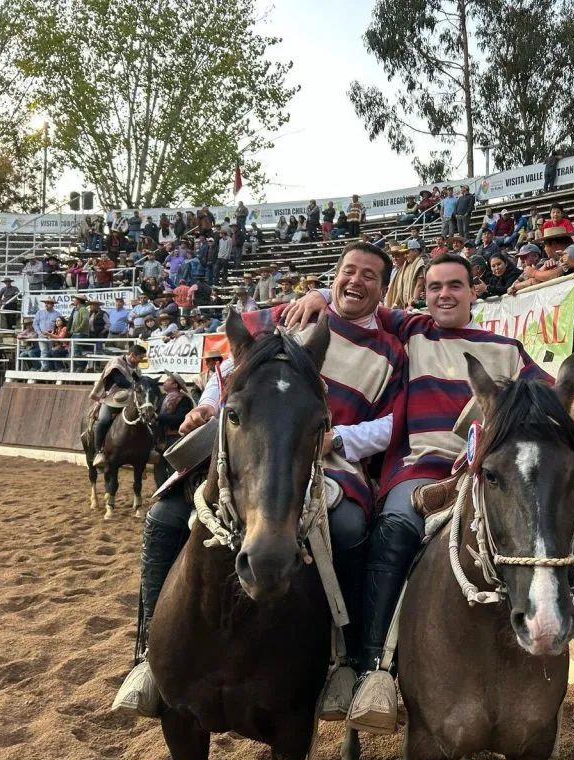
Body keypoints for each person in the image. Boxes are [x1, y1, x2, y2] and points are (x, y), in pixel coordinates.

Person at [287, 254, 574, 734]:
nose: (444, 294)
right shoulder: (411, 331)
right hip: (421, 470)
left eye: (455, 286)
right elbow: (358, 304)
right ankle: (374, 670)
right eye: (436, 286)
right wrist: (319, 293)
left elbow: (545, 403)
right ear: (424, 294)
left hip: (491, 471)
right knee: (395, 530)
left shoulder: (506, 349)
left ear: (473, 293)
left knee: (562, 540)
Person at [112, 243, 406, 721]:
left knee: (350, 529)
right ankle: (146, 657)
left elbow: (395, 423)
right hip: (247, 450)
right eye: (348, 271)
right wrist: (209, 405)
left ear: (384, 289)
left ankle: (347, 663)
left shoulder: (391, 349)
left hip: (331, 460)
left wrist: (340, 438)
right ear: (334, 275)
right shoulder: (285, 319)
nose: (355, 281)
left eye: (369, 276)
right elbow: (230, 371)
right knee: (164, 516)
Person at [90, 345, 148, 467]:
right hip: (111, 397)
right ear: (133, 355)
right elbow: (120, 381)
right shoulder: (117, 362)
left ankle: (146, 451)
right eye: (140, 358)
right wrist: (135, 386)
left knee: (145, 415)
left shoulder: (134, 367)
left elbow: (139, 380)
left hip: (129, 398)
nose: (140, 361)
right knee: (103, 420)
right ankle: (98, 452)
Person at [384, 239, 425, 309]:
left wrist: (413, 304)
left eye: (407, 253)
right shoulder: (407, 265)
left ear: (415, 250)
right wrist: (396, 303)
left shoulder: (421, 263)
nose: (405, 256)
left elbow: (419, 285)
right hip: (406, 305)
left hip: (415, 306)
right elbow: (401, 287)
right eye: (404, 254)